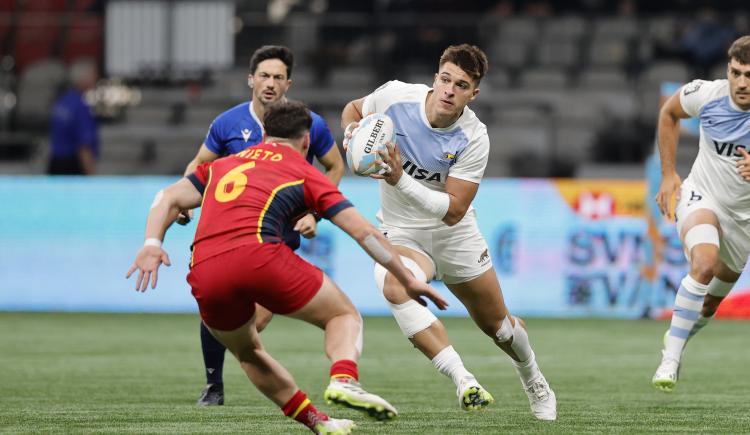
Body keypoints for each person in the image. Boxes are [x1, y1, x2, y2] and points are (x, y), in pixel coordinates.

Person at [127, 101, 448, 434]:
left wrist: (152, 244)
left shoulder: (222, 165)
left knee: (248, 351)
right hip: (258, 256)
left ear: (264, 134)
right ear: (306, 141)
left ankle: (317, 422)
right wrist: (405, 278)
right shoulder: (305, 172)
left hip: (205, 269)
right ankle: (344, 379)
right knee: (343, 315)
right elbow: (363, 232)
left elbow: (166, 197)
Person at [340, 44, 557, 420]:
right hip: (402, 233)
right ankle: (463, 379)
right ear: (435, 76)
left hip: (454, 237)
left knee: (500, 329)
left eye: (461, 85)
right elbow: (355, 109)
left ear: (473, 93)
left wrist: (398, 178)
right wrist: (352, 135)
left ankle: (534, 379)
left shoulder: (474, 137)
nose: (449, 90)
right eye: (445, 79)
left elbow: (454, 211)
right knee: (395, 285)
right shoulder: (395, 97)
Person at [180, 45, 345, 406]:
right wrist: (185, 203)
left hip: (279, 234)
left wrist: (313, 213)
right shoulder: (227, 123)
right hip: (229, 232)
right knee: (221, 308)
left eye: (278, 77)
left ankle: (261, 380)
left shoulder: (309, 124)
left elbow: (334, 166)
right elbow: (199, 164)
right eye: (265, 76)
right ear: (251, 79)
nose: (270, 83)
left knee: (255, 320)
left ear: (289, 83)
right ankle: (214, 385)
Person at [652, 35, 750, 392]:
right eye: (736, 72)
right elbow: (669, 113)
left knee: (709, 306)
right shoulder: (705, 94)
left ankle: (676, 338)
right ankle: (671, 360)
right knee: (703, 265)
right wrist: (667, 174)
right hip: (701, 194)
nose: (742, 83)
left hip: (744, 220)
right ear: (728, 70)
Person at [47, 59, 99, 175]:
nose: (95, 78)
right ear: (83, 78)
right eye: (93, 74)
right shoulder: (80, 106)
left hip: (55, 162)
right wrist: (91, 174)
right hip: (72, 166)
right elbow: (84, 145)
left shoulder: (62, 101)